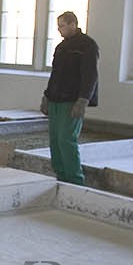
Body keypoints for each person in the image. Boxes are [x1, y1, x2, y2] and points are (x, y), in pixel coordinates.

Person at [40, 11, 99, 185]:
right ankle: (61, 176)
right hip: (56, 99)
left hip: (71, 101)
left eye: (62, 26)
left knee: (67, 139)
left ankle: (75, 180)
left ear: (73, 24)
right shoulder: (61, 47)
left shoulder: (87, 45)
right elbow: (55, 74)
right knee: (55, 140)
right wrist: (47, 96)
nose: (59, 30)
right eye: (58, 26)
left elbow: (90, 75)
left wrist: (83, 100)